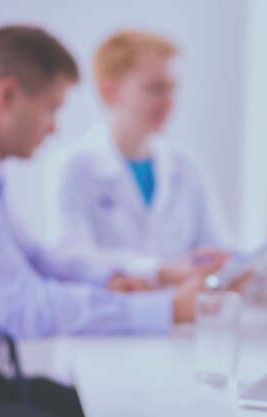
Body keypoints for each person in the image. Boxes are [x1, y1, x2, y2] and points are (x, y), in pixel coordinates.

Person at [0, 25, 228, 417]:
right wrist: (167, 309)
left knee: (108, 405)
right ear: (8, 94)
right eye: (51, 108)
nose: (55, 126)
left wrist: (132, 276)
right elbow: (27, 308)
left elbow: (39, 258)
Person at [52, 29, 232, 288]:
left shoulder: (187, 165)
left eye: (173, 88)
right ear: (111, 92)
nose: (170, 101)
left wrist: (262, 257)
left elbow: (217, 250)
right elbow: (72, 258)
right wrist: (160, 271)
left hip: (184, 322)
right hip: (110, 321)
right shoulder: (73, 166)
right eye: (156, 89)